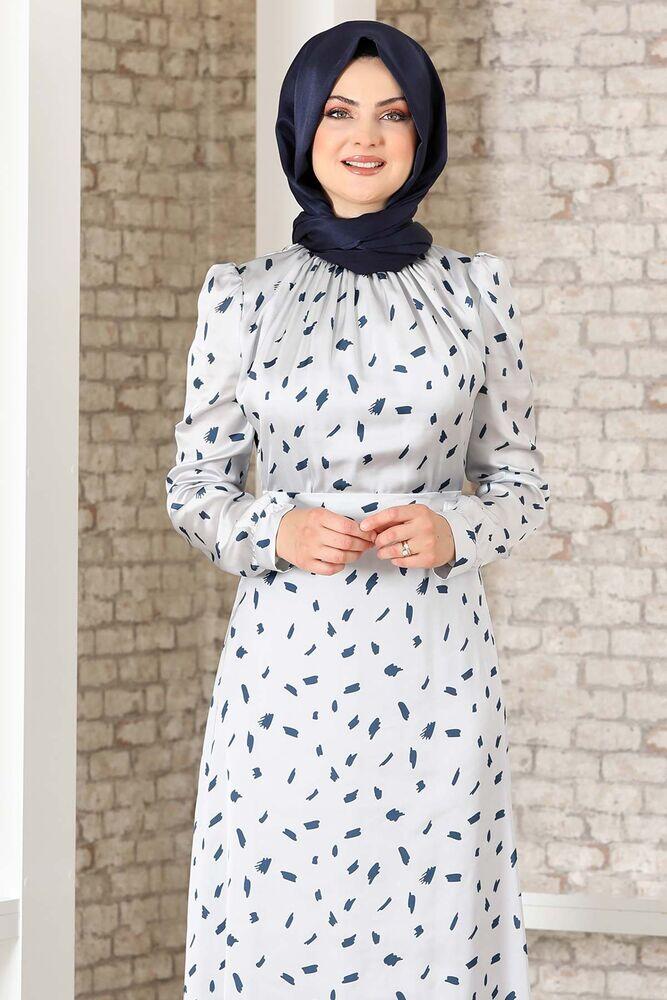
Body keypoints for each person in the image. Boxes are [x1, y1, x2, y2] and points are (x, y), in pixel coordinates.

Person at [165, 19, 549, 999]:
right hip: (286, 666)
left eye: (392, 114)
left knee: (435, 922)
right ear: (303, 130)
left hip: (434, 663)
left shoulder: (477, 293)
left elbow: (521, 484)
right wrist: (273, 529)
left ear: (424, 134)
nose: (365, 136)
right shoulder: (242, 297)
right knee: (281, 914)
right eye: (339, 113)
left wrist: (456, 528)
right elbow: (195, 488)